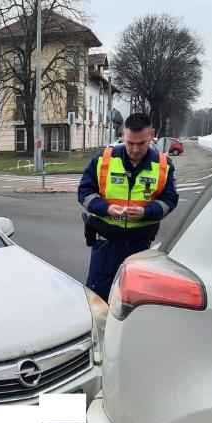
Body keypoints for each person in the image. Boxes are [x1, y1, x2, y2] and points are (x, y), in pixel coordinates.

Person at [77, 113, 179, 300]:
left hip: (139, 246)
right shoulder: (103, 159)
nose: (134, 149)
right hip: (105, 244)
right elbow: (84, 193)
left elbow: (169, 200)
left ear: (152, 135)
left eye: (141, 143)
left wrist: (146, 212)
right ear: (123, 134)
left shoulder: (163, 165)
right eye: (129, 142)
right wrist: (105, 208)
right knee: (98, 298)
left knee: (134, 300)